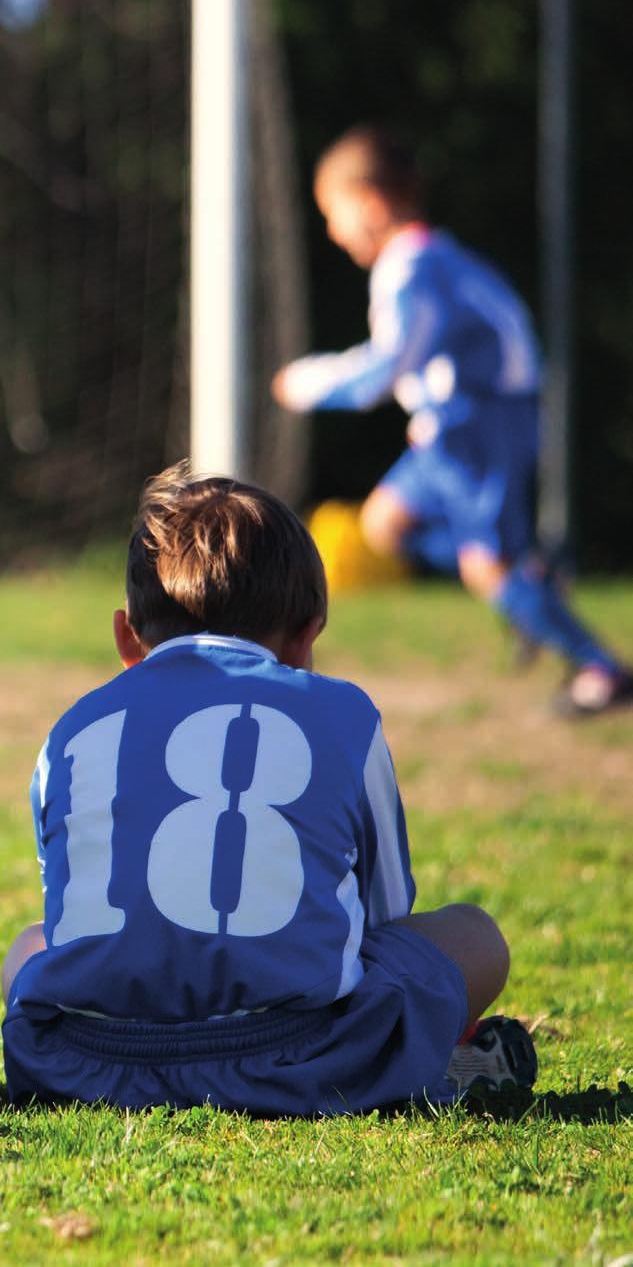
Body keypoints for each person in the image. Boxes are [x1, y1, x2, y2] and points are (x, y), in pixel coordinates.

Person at [2, 465, 536, 1113]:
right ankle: (440, 1057)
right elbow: (383, 917)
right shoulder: (343, 713)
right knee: (474, 934)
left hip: (85, 1064)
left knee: (28, 941)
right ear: (307, 635)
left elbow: (73, 918)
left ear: (127, 637)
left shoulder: (70, 730)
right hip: (305, 1056)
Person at [272, 125, 633, 718]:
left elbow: (385, 370)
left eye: (333, 214)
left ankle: (600, 667)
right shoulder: (440, 257)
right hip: (459, 425)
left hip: (476, 429)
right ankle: (526, 587)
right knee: (386, 522)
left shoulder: (412, 269)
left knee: (483, 567)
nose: (333, 232)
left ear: (371, 203)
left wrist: (308, 382)